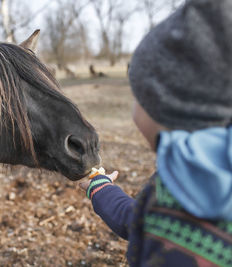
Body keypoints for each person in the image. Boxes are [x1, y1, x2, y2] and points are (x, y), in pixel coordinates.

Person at [79, 0, 232, 266]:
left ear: (167, 108)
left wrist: (98, 187)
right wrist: (100, 187)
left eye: (137, 97)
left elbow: (134, 220)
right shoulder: (195, 172)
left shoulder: (176, 188)